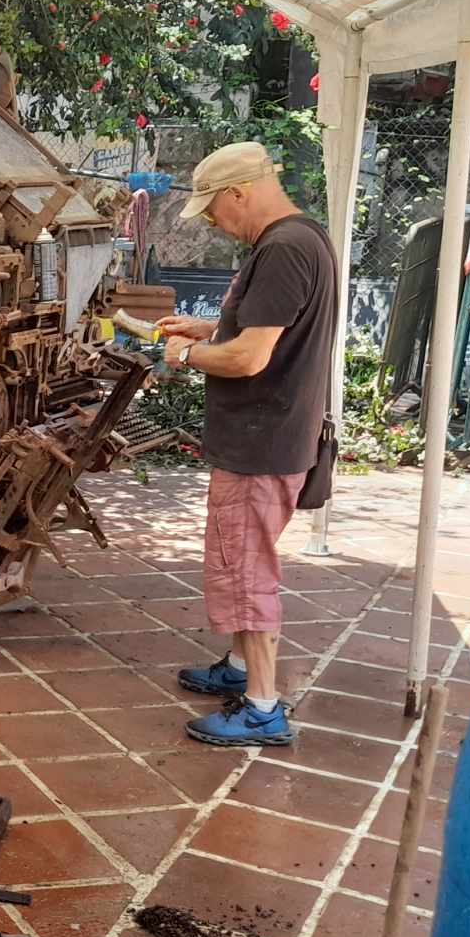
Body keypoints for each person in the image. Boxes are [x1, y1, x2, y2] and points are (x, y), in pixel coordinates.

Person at [154, 142, 336, 748]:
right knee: (238, 561)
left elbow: (249, 356)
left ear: (238, 192)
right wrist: (206, 327)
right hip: (274, 434)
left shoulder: (283, 248)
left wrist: (186, 354)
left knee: (247, 570)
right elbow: (267, 329)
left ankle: (262, 707)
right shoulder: (301, 237)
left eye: (213, 208)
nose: (211, 221)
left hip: (262, 441)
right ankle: (236, 670)